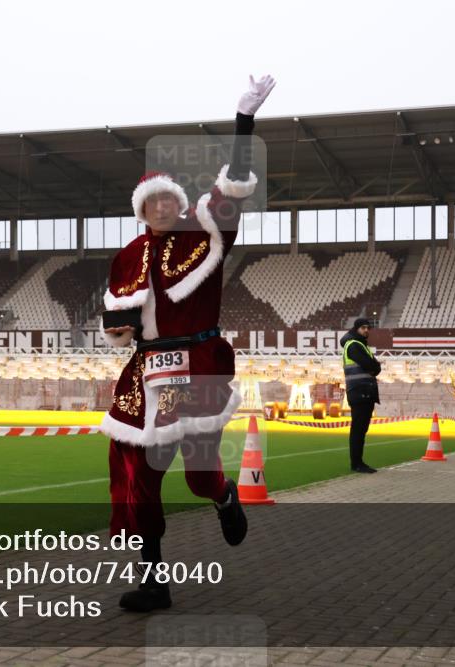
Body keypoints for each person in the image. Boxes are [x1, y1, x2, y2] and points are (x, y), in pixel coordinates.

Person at [100, 75, 274, 612]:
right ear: (141, 209)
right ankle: (153, 580)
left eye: (167, 200)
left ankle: (223, 497)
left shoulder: (204, 237)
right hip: (145, 372)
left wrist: (243, 123)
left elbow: (233, 187)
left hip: (195, 365)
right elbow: (113, 315)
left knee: (198, 474)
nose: (160, 208)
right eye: (151, 202)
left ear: (178, 204)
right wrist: (118, 330)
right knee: (136, 471)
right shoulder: (127, 255)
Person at [341, 318, 382, 473]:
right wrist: (374, 367)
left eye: (368, 328)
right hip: (360, 391)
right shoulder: (354, 345)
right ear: (356, 328)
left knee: (361, 429)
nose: (366, 330)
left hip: (363, 392)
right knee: (358, 430)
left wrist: (375, 367)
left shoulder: (360, 345)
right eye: (363, 327)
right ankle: (357, 464)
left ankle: (358, 462)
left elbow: (375, 368)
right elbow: (372, 366)